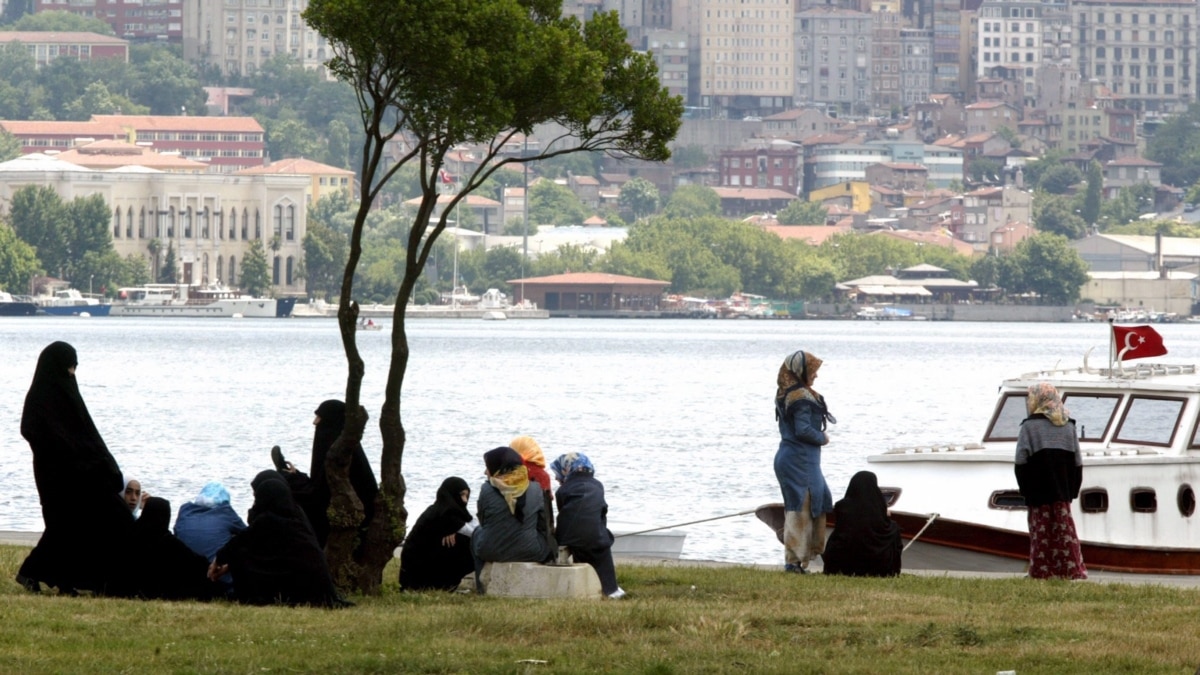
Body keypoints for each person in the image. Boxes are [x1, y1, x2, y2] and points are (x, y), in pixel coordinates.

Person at [16, 341, 135, 595]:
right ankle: (38, 573)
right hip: (55, 476)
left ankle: (63, 580)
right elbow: (32, 431)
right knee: (62, 526)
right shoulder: (40, 397)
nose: (71, 373)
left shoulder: (68, 393)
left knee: (72, 526)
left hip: (79, 474)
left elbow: (86, 434)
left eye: (74, 367)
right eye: (68, 366)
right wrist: (67, 453)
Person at [210, 470, 348, 607]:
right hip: (314, 584)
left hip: (300, 584)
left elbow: (239, 542)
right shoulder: (296, 514)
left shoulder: (268, 519)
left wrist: (219, 560)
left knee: (241, 557)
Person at [274, 400, 378, 548]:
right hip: (333, 504)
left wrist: (293, 480)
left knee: (288, 491)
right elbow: (321, 483)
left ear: (331, 420)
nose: (314, 423)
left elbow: (320, 494)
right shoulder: (337, 446)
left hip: (349, 517)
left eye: (319, 418)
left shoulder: (341, 454)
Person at [1015, 382, 1087, 580]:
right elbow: (1077, 462)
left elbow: (1021, 461)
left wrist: (1024, 490)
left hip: (1037, 492)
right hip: (1062, 490)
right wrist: (1072, 490)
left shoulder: (1029, 427)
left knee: (1041, 533)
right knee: (1065, 531)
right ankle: (1072, 570)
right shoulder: (1069, 425)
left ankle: (1041, 570)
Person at [773, 349, 835, 574]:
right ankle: (794, 561)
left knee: (816, 502)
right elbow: (803, 430)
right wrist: (823, 438)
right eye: (813, 370)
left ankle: (804, 558)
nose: (816, 375)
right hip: (799, 460)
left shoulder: (788, 392)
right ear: (801, 371)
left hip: (798, 459)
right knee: (799, 509)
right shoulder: (799, 397)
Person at [471, 447, 554, 591]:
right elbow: (543, 524)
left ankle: (482, 587)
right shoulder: (536, 489)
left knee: (477, 533)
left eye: (487, 468)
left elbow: (483, 521)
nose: (485, 472)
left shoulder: (486, 489)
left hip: (491, 550)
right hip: (530, 551)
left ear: (499, 468)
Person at [550, 452, 625, 599]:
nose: (556, 477)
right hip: (595, 538)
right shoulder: (598, 486)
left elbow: (563, 515)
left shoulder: (563, 490)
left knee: (582, 536)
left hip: (566, 536)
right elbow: (602, 513)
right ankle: (610, 588)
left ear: (567, 469)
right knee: (602, 542)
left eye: (558, 473)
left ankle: (589, 584)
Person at [129, 497, 218, 600]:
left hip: (131, 587)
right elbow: (195, 562)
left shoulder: (132, 533)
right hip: (160, 590)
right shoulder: (168, 541)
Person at [398, 477, 476, 591]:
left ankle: (445, 584)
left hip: (416, 567)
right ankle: (443, 585)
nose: (464, 500)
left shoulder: (440, 509)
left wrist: (455, 530)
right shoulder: (446, 514)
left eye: (467, 496)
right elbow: (476, 532)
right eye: (462, 495)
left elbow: (471, 525)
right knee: (471, 544)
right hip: (417, 571)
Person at [821, 471, 902, 577]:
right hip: (878, 563)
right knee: (894, 528)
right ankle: (889, 570)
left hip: (845, 562)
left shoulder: (842, 506)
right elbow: (880, 526)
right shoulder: (878, 505)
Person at [175, 481, 248, 592]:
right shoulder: (226, 512)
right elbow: (249, 536)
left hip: (185, 580)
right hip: (218, 580)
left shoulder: (185, 510)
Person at [509, 435, 556, 541]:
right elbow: (547, 511)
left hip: (510, 533)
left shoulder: (508, 474)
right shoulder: (543, 475)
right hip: (536, 535)